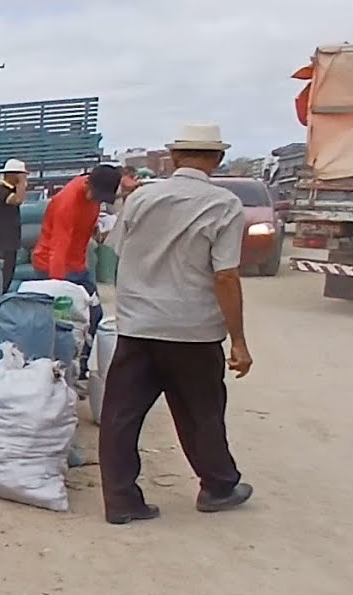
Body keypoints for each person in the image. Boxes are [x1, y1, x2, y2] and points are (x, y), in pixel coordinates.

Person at [99, 124, 254, 525]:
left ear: (174, 158)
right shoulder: (224, 206)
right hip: (193, 331)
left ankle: (120, 501)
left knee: (121, 416)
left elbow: (114, 249)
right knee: (201, 412)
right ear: (217, 159)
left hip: (138, 326)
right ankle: (218, 486)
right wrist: (238, 340)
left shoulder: (141, 198)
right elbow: (225, 276)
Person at [31, 164, 122, 346]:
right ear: (88, 184)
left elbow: (86, 225)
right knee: (64, 322)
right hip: (54, 267)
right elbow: (58, 247)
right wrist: (58, 288)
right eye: (97, 196)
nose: (98, 201)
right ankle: (62, 360)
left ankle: (82, 359)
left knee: (95, 315)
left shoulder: (94, 198)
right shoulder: (68, 203)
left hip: (77, 266)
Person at [0, 158, 29, 292]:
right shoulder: (0, 190)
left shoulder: (8, 190)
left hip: (11, 238)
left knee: (9, 272)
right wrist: (22, 184)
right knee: (3, 274)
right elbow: (17, 200)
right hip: (3, 239)